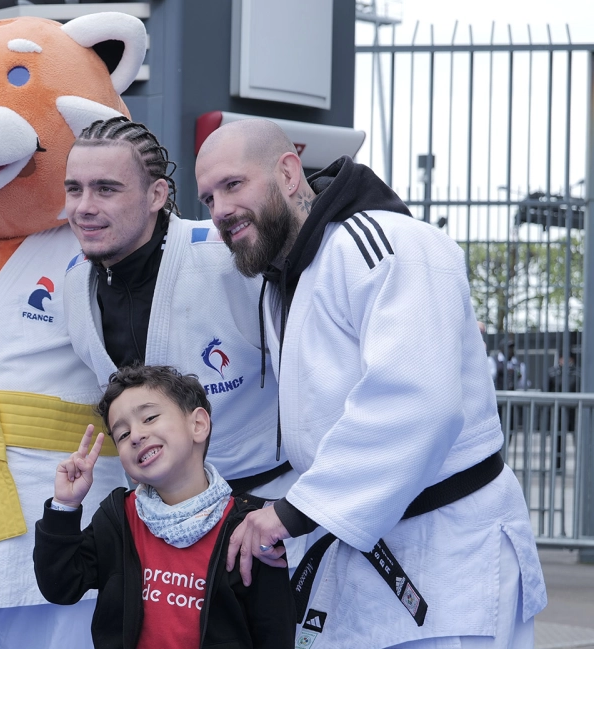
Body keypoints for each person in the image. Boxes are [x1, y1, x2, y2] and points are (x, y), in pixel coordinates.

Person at [195, 118, 547, 650]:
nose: (219, 210)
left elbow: (419, 401)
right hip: (368, 544)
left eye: (232, 185)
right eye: (207, 198)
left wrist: (293, 513)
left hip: (450, 550)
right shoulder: (285, 280)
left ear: (289, 174)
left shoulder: (385, 242)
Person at [62, 118, 287, 503]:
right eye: (74, 189)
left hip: (267, 500)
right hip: (156, 517)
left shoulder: (228, 258)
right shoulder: (74, 281)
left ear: (156, 195)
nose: (84, 207)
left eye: (105, 189)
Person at [34, 364, 294, 653]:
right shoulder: (118, 518)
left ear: (198, 425)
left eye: (150, 417)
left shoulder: (249, 526)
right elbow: (60, 586)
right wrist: (65, 506)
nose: (135, 435)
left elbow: (276, 636)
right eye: (122, 435)